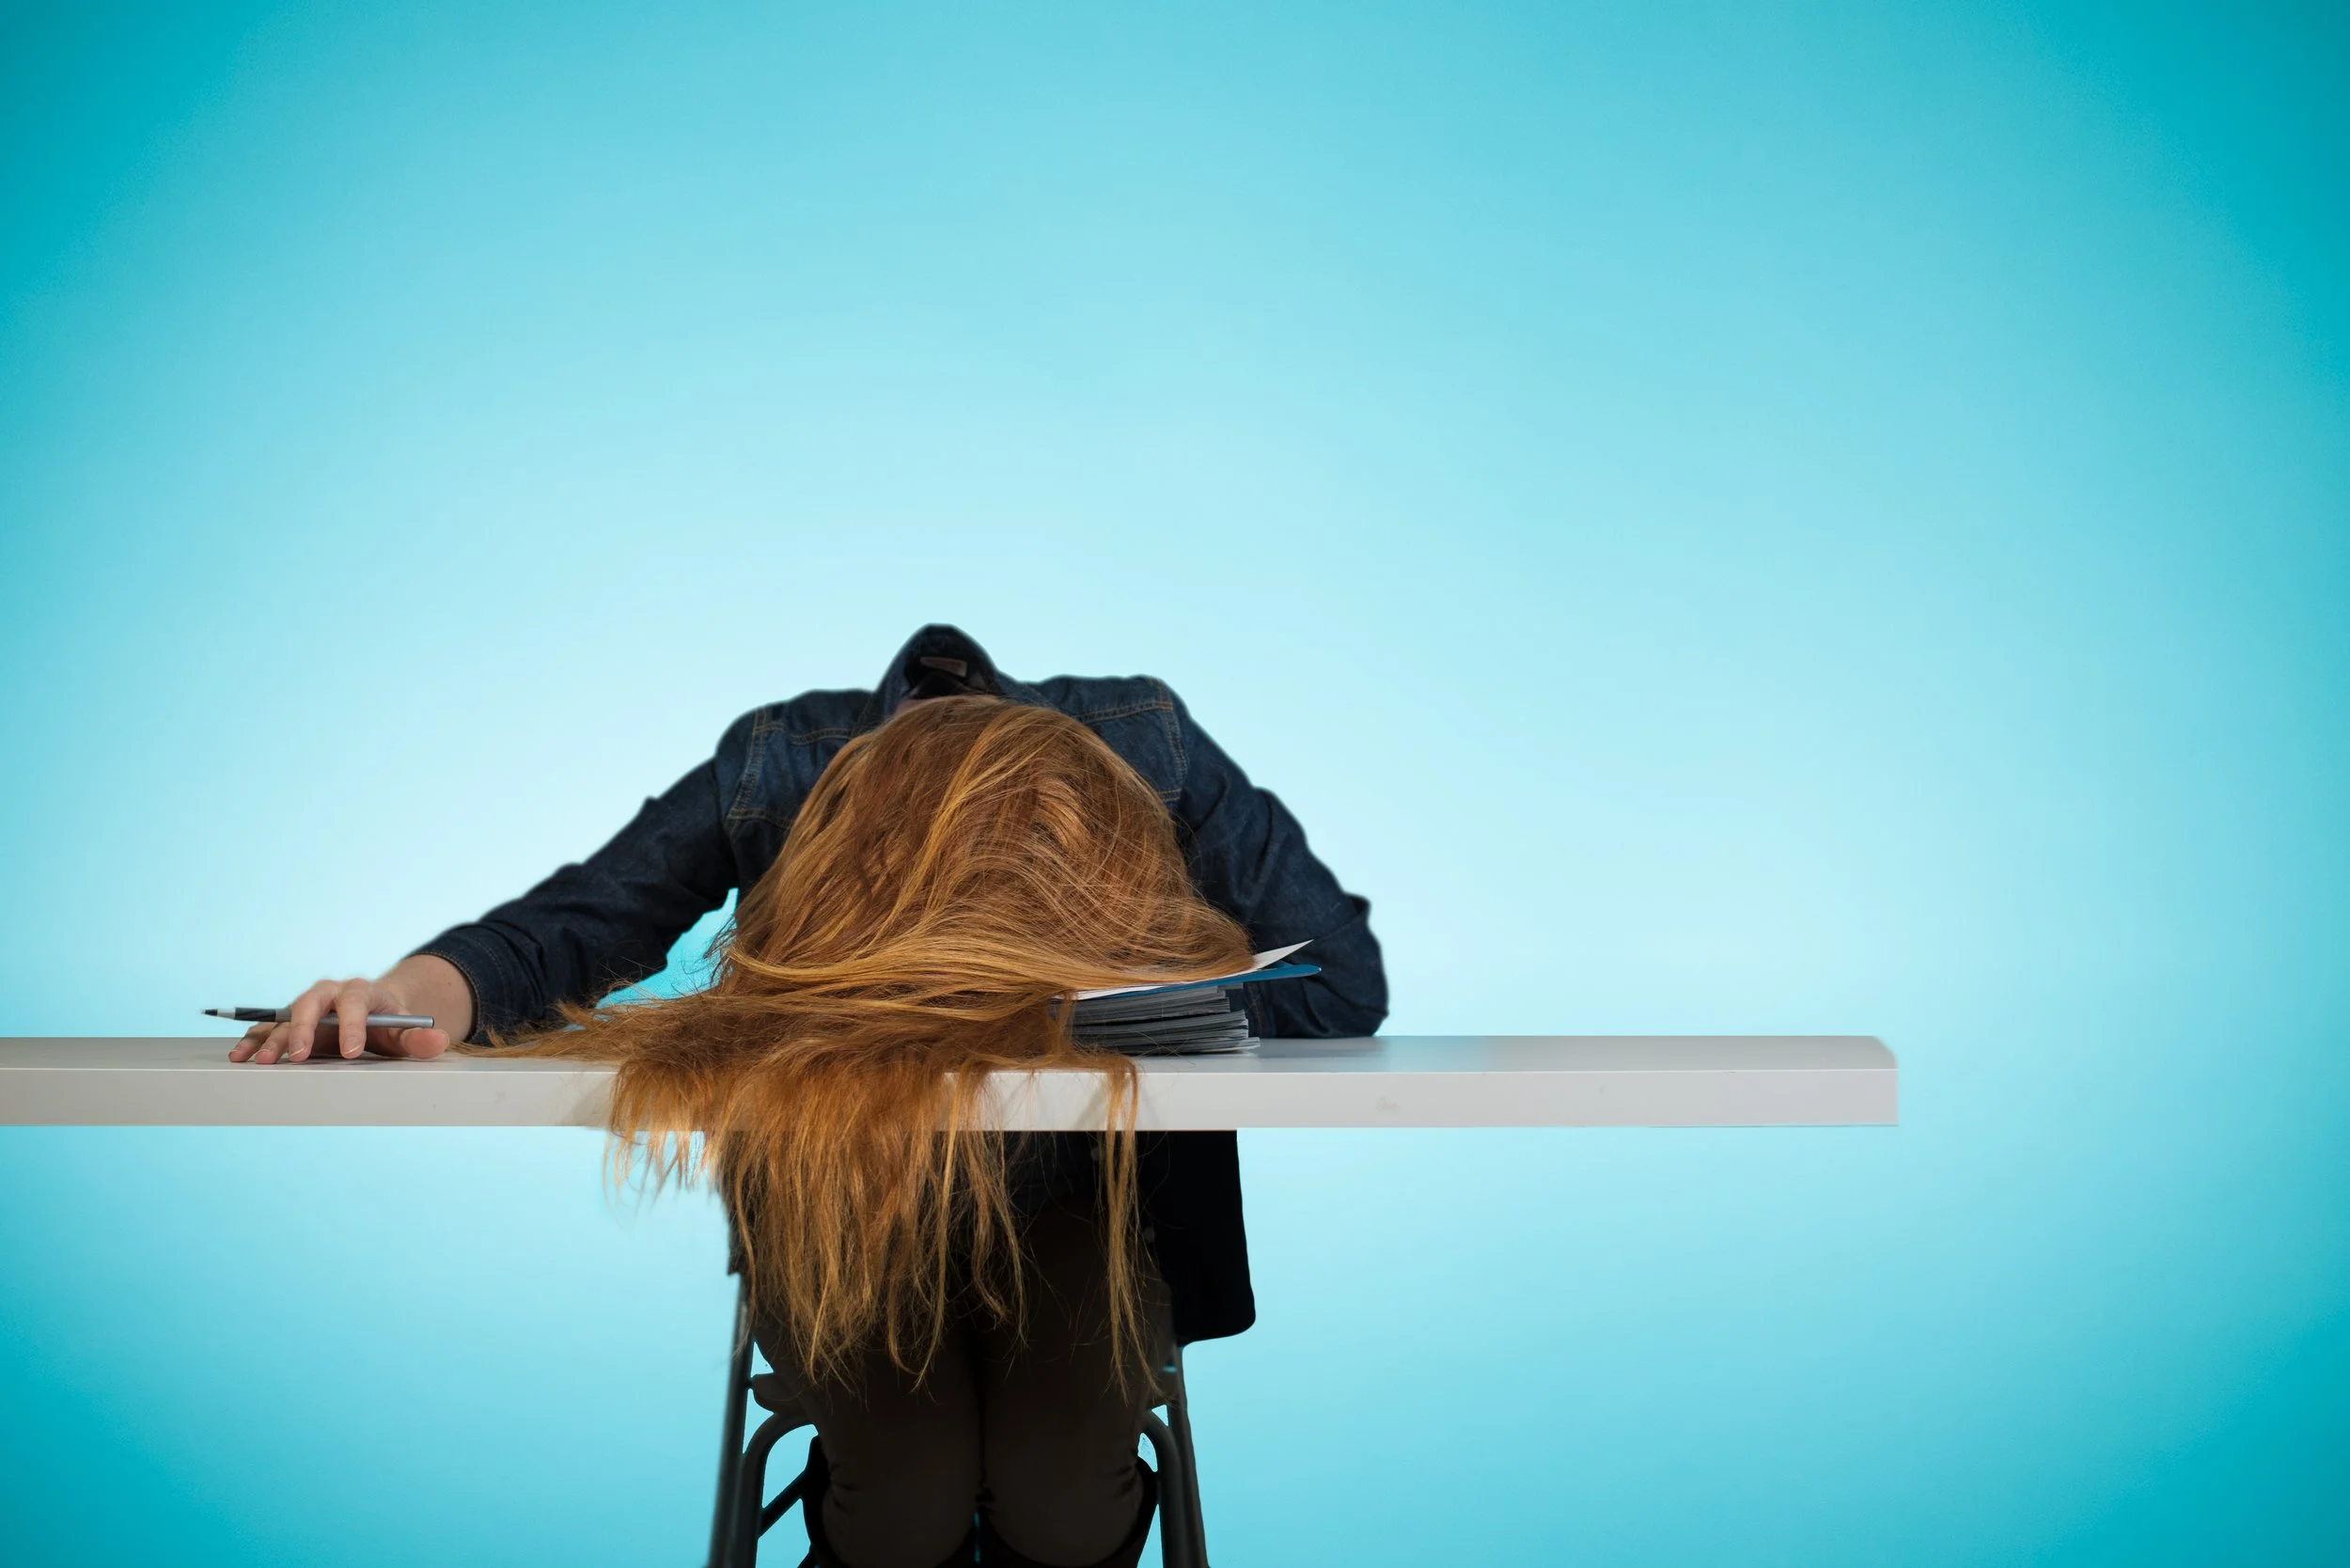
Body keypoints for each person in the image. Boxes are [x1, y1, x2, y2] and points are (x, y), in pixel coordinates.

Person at [230, 625, 1387, 1568]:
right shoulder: (782, 764)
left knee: (1059, 1499)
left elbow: (1336, 983)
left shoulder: (1145, 748)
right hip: (850, 1192)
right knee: (905, 1505)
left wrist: (1117, 1015)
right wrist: (396, 998)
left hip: (1089, 1204)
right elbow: (562, 936)